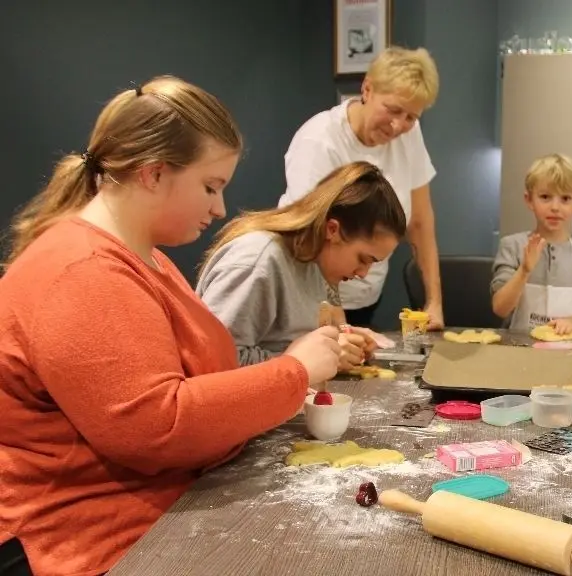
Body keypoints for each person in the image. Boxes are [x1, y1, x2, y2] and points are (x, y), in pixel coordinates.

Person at [0, 77, 347, 576]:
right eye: (211, 186)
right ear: (153, 174)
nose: (220, 208)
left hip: (160, 503)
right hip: (94, 538)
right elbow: (154, 429)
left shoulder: (147, 258)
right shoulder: (83, 270)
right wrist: (294, 372)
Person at [280, 46, 443, 330]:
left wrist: (434, 303)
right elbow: (310, 234)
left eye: (410, 117)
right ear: (367, 89)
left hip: (366, 292)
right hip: (308, 291)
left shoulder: (409, 134)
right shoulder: (319, 141)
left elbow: (419, 222)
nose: (397, 125)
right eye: (392, 110)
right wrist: (335, 315)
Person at [196, 161, 404, 367]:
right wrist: (304, 361)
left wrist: (340, 340)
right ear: (332, 230)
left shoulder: (315, 261)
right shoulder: (258, 263)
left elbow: (289, 338)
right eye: (363, 259)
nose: (363, 274)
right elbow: (213, 363)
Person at [491, 154, 572, 336]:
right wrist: (524, 271)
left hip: (569, 351)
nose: (555, 207)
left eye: (565, 199)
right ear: (529, 200)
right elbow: (500, 308)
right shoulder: (512, 246)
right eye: (545, 197)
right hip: (519, 350)